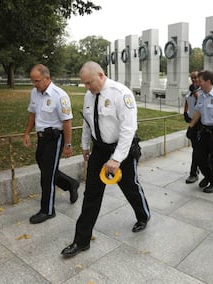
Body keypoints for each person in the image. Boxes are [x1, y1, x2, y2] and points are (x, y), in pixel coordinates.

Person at [61, 61, 150, 258]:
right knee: (91, 194)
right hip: (99, 150)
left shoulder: (121, 94)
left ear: (101, 75)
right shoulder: (89, 95)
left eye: (89, 82)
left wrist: (117, 159)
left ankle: (143, 216)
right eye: (84, 84)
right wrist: (85, 145)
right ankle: (81, 241)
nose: (87, 87)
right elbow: (87, 122)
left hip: (122, 150)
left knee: (130, 186)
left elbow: (128, 129)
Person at [23, 64, 79, 224]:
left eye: (37, 80)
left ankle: (47, 210)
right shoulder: (34, 93)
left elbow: (67, 122)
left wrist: (68, 145)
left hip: (55, 138)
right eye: (32, 81)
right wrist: (27, 132)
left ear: (47, 78)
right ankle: (71, 184)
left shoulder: (59, 95)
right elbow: (32, 114)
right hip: (41, 137)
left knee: (47, 175)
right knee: (46, 168)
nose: (34, 84)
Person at [183, 71, 200, 183]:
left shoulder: (201, 90)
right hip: (191, 120)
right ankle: (196, 170)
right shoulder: (191, 89)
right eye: (192, 78)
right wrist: (185, 112)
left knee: (198, 149)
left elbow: (200, 101)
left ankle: (194, 172)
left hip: (199, 121)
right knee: (196, 148)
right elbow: (187, 100)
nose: (193, 80)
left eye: (195, 78)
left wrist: (194, 91)